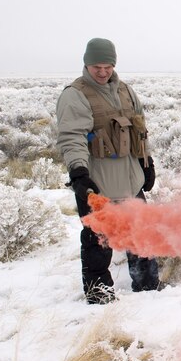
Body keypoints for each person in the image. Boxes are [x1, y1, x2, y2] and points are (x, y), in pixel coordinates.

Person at [56, 38, 160, 304]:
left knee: (141, 233)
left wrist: (146, 163)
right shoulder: (75, 94)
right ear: (86, 64)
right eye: (96, 67)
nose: (102, 72)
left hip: (130, 180)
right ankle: (99, 297)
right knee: (97, 241)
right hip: (97, 184)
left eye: (107, 66)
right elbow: (72, 138)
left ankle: (148, 288)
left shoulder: (125, 90)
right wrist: (79, 172)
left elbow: (140, 131)